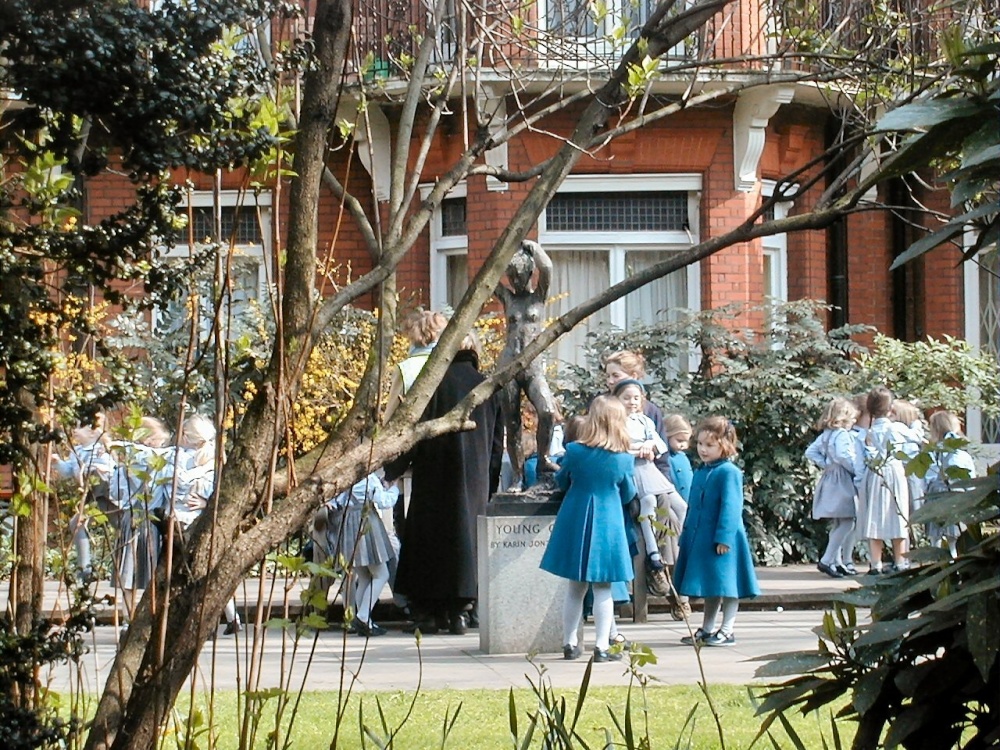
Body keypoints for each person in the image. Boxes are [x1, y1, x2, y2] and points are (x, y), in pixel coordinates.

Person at [383, 330, 504, 635]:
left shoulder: (431, 385)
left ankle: (429, 612)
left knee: (430, 540)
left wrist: (393, 468)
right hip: (474, 477)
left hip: (433, 473)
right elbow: (496, 442)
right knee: (467, 539)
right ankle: (463, 609)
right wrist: (490, 481)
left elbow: (410, 434)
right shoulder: (486, 386)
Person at [540, 396, 636, 663]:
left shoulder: (576, 451)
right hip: (608, 523)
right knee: (604, 586)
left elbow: (561, 479)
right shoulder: (624, 459)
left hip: (576, 517)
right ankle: (602, 646)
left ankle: (569, 643)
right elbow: (629, 493)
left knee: (575, 587)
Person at [673, 416, 759, 647]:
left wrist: (724, 537)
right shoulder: (702, 470)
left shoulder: (728, 472)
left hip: (723, 538)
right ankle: (708, 628)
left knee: (728, 585)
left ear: (725, 445)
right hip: (701, 537)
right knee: (712, 585)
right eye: (700, 443)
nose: (703, 449)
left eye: (709, 445)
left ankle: (728, 629)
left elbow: (731, 507)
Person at [157, 414, 242, 634]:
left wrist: (205, 502)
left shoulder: (189, 460)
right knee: (208, 570)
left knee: (189, 574)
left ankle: (206, 622)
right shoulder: (211, 459)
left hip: (184, 524)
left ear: (188, 436)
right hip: (198, 523)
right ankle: (230, 618)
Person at [495, 240, 559, 487]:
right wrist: (507, 247)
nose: (516, 282)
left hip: (533, 366)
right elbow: (487, 277)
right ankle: (518, 476)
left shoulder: (538, 297)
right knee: (512, 423)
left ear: (530, 275)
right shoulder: (508, 298)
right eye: (512, 277)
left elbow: (549, 268)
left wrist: (532, 247)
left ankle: (543, 458)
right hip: (509, 364)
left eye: (520, 277)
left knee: (547, 411)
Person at [311, 472, 399, 637]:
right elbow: (384, 502)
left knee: (364, 576)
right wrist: (393, 489)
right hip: (365, 522)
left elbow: (335, 501)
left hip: (347, 525)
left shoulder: (344, 478)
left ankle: (366, 622)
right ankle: (363, 616)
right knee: (381, 574)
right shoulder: (370, 479)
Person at [612, 378, 674, 596]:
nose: (631, 402)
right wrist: (638, 449)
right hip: (631, 470)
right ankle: (653, 552)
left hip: (649, 470)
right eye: (626, 398)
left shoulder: (645, 421)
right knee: (647, 501)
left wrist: (650, 445)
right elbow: (615, 447)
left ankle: (671, 549)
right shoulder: (615, 422)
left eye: (636, 398)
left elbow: (660, 445)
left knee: (676, 505)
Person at [109, 416, 173, 620]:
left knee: (128, 573)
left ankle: (129, 617)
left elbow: (116, 492)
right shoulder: (162, 461)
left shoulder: (126, 461)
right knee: (151, 572)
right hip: (152, 521)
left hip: (131, 518)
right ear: (149, 439)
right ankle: (150, 618)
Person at [854, 386, 911, 575]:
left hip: (873, 473)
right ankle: (900, 560)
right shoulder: (894, 429)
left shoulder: (867, 432)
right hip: (893, 472)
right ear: (890, 408)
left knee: (874, 516)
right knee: (898, 514)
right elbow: (904, 449)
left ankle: (876, 562)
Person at [54, 415, 114, 585]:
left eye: (79, 427)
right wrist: (58, 463)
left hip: (106, 493)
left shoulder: (101, 449)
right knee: (76, 524)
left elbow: (110, 469)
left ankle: (128, 565)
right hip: (90, 495)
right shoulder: (76, 451)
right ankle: (84, 569)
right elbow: (69, 472)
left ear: (91, 432)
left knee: (121, 526)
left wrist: (93, 469)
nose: (74, 430)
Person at [804, 397, 860, 578]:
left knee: (838, 522)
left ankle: (837, 562)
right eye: (852, 418)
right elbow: (845, 456)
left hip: (830, 479)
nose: (854, 422)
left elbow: (810, 451)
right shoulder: (842, 435)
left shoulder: (826, 434)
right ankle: (827, 560)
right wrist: (856, 470)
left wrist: (826, 464)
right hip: (842, 480)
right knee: (848, 520)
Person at [923, 410, 977, 555]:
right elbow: (969, 478)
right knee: (953, 536)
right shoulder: (962, 454)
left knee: (936, 536)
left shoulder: (931, 453)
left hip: (935, 495)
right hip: (956, 495)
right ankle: (954, 559)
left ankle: (937, 562)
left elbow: (927, 477)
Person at [663, 414, 694, 502]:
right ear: (667, 435)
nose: (684, 445)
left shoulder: (682, 457)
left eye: (687, 441)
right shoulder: (663, 459)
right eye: (680, 441)